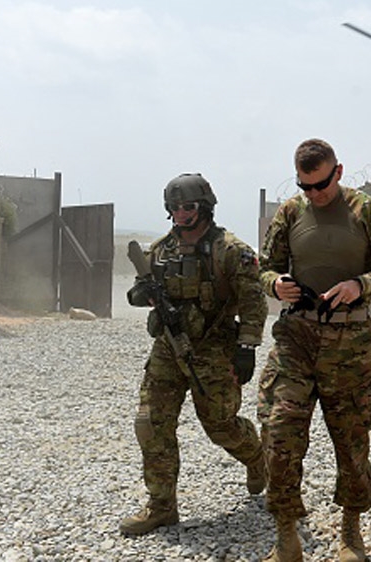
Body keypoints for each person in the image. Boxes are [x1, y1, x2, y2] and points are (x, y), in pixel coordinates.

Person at [258, 139, 371, 562]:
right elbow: (265, 265)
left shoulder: (366, 211)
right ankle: (286, 536)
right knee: (279, 431)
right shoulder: (290, 212)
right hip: (297, 337)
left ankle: (351, 533)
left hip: (350, 342)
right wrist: (274, 284)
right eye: (305, 186)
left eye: (320, 185)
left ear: (338, 172)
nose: (314, 195)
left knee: (351, 437)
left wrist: (360, 284)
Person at [120, 173, 268, 535]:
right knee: (151, 422)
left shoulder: (231, 250)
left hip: (214, 350)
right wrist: (144, 294)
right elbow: (137, 292)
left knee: (220, 425)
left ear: (204, 207)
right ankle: (161, 506)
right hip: (168, 349)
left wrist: (246, 347)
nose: (180, 213)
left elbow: (253, 302)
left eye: (187, 206)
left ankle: (258, 457)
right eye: (174, 207)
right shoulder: (161, 250)